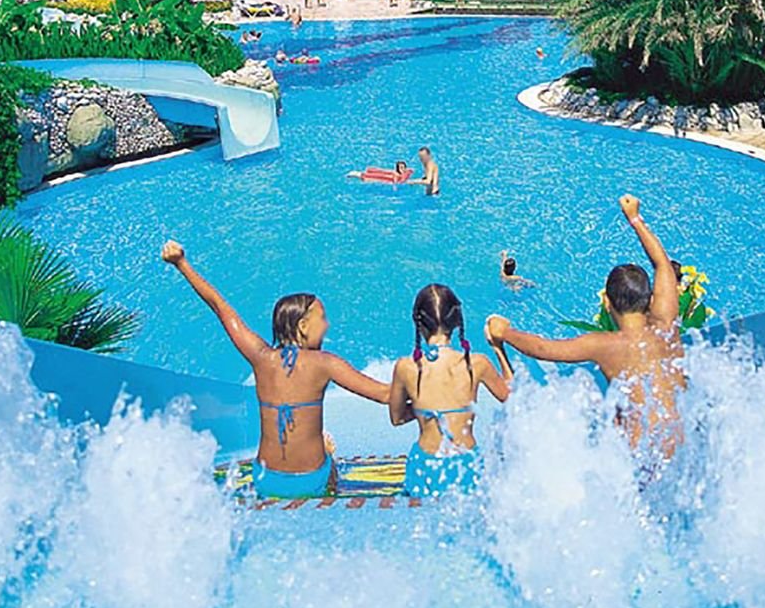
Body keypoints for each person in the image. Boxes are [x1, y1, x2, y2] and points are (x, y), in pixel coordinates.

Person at [161, 241, 389, 498]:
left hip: (265, 479)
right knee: (330, 464)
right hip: (311, 481)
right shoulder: (326, 363)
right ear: (303, 326)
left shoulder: (262, 358)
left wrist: (181, 263)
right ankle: (327, 456)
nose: (327, 325)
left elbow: (220, 308)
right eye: (322, 318)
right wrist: (421, 385)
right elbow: (384, 395)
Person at [486, 194, 685, 462]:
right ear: (649, 299)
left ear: (607, 303)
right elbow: (663, 265)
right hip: (684, 450)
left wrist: (505, 332)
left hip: (645, 461)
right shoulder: (666, 325)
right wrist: (635, 219)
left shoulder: (606, 345)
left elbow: (544, 349)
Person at [389, 283, 511, 497]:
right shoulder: (477, 363)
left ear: (419, 323)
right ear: (456, 322)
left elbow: (397, 418)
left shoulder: (405, 367)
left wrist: (426, 408)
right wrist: (498, 347)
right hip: (465, 465)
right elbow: (511, 396)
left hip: (425, 466)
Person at [347, 160, 412, 184]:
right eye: (401, 168)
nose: (403, 169)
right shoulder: (397, 175)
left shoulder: (404, 173)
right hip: (376, 178)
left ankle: (358, 174)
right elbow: (395, 183)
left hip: (384, 177)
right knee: (364, 177)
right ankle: (355, 174)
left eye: (404, 167)